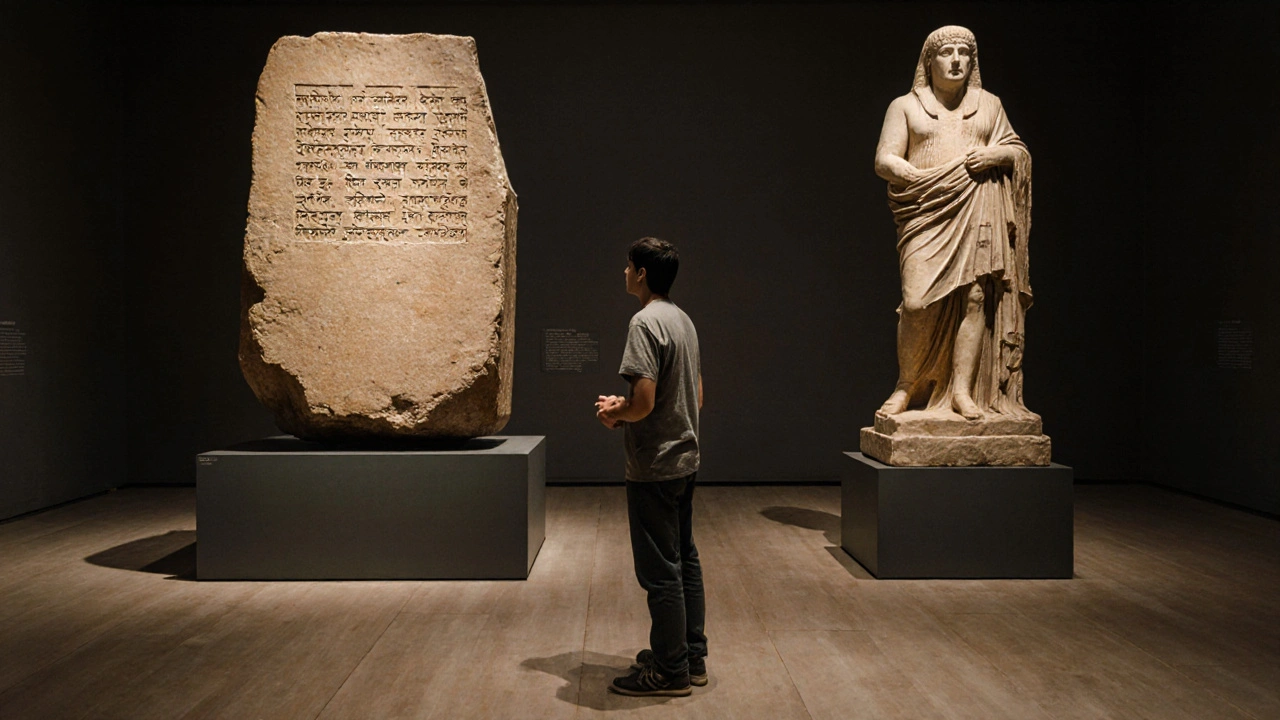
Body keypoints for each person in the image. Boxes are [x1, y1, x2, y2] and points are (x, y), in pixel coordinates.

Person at [873, 25, 1037, 422]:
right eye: (946, 52)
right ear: (928, 61)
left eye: (965, 52)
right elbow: (884, 160)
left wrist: (996, 155)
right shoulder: (906, 106)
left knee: (976, 298)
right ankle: (906, 384)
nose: (956, 59)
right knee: (916, 302)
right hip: (926, 209)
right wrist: (917, 177)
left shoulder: (990, 105)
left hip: (978, 207)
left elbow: (1017, 150)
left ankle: (963, 391)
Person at [595, 237, 706, 697]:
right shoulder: (683, 320)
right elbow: (696, 395)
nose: (623, 272)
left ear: (642, 273)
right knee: (685, 561)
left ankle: (669, 671)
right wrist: (634, 408)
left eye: (627, 266)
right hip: (685, 458)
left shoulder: (644, 322)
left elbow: (643, 403)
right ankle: (690, 656)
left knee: (660, 571)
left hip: (654, 465)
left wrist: (615, 412)